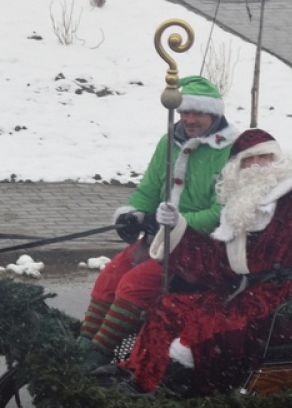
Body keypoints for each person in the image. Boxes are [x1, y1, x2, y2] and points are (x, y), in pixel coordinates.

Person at [117, 115, 292, 398]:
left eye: (264, 158)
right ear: (237, 169)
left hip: (281, 292)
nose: (256, 166)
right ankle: (142, 377)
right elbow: (215, 263)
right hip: (241, 290)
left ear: (277, 161)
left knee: (208, 324)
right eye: (247, 161)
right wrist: (176, 227)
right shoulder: (239, 208)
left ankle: (178, 392)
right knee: (168, 306)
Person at [81, 75, 239, 363]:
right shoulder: (169, 141)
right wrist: (135, 215)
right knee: (110, 276)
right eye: (184, 112)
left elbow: (223, 213)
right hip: (161, 240)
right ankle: (82, 344)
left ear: (214, 113)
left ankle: (97, 354)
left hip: (203, 247)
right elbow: (148, 190)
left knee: (133, 284)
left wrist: (177, 222)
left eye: (198, 113)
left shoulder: (231, 150)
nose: (189, 119)